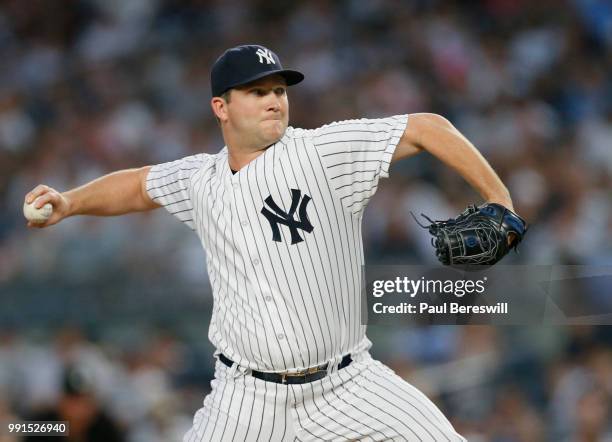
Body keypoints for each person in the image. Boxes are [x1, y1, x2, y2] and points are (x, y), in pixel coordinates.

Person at [25, 44, 516, 441]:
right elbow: (136, 185)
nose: (273, 99)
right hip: (245, 398)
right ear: (221, 106)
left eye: (279, 89)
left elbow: (427, 127)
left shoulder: (321, 153)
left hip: (347, 384)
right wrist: (70, 201)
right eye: (256, 91)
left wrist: (500, 200)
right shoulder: (202, 180)